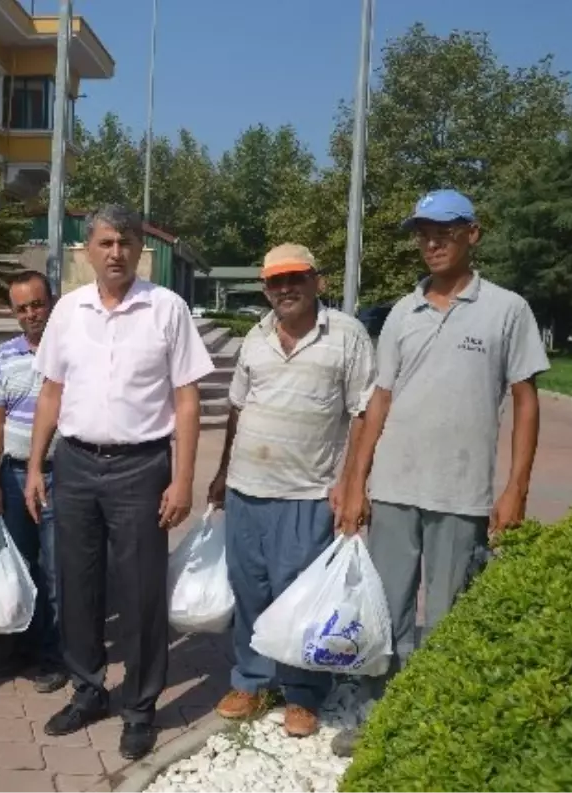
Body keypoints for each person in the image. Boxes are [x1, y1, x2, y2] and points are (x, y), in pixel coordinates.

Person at [331, 189, 549, 756]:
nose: (431, 243)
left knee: (450, 618)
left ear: (472, 234)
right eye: (423, 233)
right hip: (396, 489)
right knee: (388, 613)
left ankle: (439, 724)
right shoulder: (404, 311)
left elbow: (525, 401)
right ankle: (379, 719)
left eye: (444, 232)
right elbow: (378, 402)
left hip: (462, 494)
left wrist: (515, 489)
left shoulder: (507, 309)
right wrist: (355, 483)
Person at [24, 204, 215, 761]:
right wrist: (37, 465)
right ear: (88, 250)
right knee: (77, 584)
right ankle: (88, 690)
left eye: (125, 243)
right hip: (76, 465)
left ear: (138, 249)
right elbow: (52, 392)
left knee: (140, 591)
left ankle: (139, 707)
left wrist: (183, 480)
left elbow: (187, 399)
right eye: (105, 243)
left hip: (141, 468)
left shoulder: (166, 309)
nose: (115, 253)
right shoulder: (67, 311)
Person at [207, 244, 375, 738]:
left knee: (301, 597)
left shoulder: (346, 336)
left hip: (308, 494)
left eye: (295, 278)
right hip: (245, 490)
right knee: (251, 591)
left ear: (317, 281)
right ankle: (252, 681)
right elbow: (238, 408)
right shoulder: (255, 337)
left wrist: (352, 484)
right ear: (265, 288)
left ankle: (303, 694)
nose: (285, 289)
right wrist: (220, 473)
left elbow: (365, 415)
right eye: (275, 281)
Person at [0, 270, 66, 694]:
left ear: (51, 301)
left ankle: (55, 656)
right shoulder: (3, 357)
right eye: (22, 308)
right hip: (14, 477)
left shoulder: (73, 349)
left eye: (37, 304)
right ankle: (20, 646)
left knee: (56, 569)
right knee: (18, 568)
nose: (32, 313)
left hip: (61, 476)